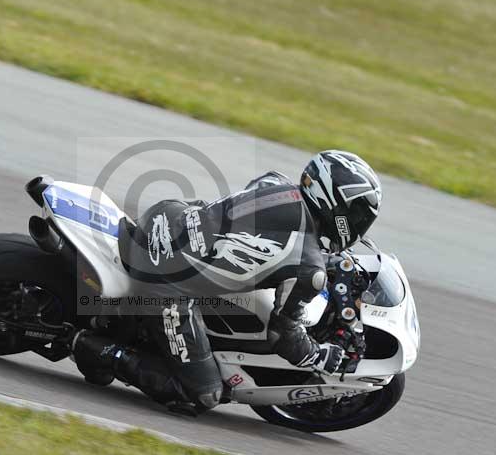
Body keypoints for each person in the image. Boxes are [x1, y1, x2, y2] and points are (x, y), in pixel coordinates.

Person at [72, 150, 383, 414]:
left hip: (167, 216)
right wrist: (320, 355)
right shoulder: (308, 269)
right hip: (163, 282)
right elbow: (282, 335)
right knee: (202, 394)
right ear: (336, 205)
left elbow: (263, 232)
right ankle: (92, 348)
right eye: (357, 215)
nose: (358, 225)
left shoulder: (275, 182)